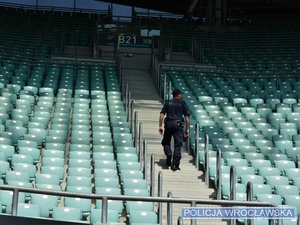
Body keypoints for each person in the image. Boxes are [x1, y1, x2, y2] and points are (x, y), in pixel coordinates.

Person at [158, 88, 190, 171]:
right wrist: (187, 129)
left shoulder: (168, 103)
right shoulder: (182, 104)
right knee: (178, 144)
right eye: (181, 94)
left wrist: (160, 126)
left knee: (166, 141)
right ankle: (175, 164)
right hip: (178, 125)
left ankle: (168, 152)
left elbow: (162, 115)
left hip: (168, 123)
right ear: (178, 94)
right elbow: (187, 117)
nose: (181, 95)